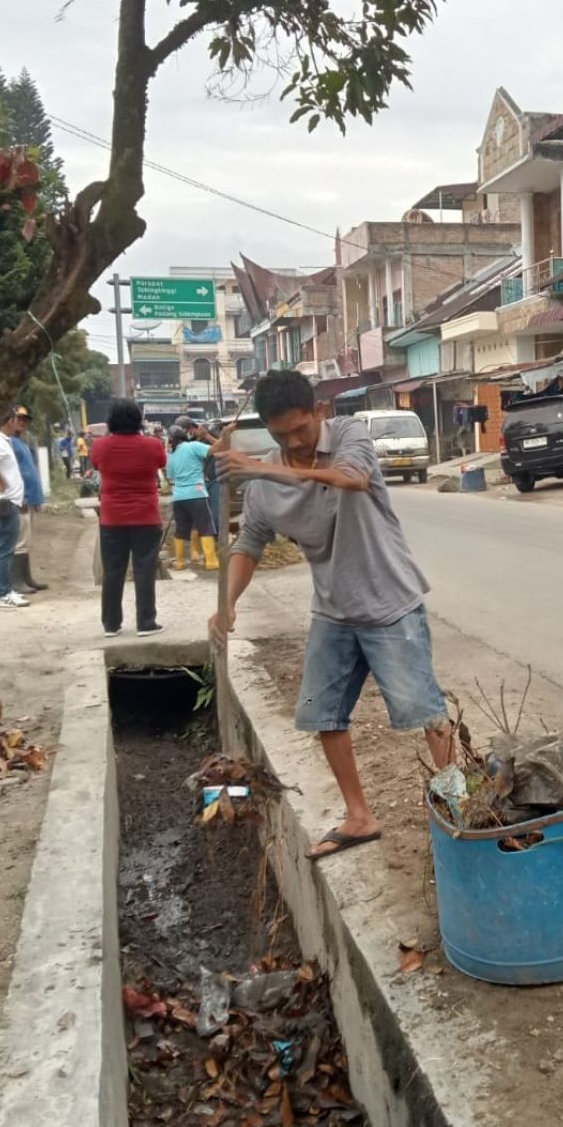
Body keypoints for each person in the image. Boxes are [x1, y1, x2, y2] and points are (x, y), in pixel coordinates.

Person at [209, 369, 455, 860]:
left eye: (301, 429)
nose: (295, 443)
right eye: (282, 437)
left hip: (391, 604)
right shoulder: (265, 484)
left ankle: (460, 806)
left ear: (318, 412)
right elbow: (249, 544)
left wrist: (266, 468)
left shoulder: (349, 436)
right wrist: (228, 603)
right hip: (333, 610)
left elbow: (353, 479)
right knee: (324, 714)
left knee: (426, 713)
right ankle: (359, 816)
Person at [90, 399, 167, 638]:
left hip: (112, 517)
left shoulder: (99, 446)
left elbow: (96, 465)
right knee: (145, 569)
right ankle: (146, 623)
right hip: (146, 515)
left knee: (113, 571)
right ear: (137, 420)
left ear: (111, 421)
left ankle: (111, 625)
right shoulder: (153, 445)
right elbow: (162, 464)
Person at [0, 409, 30, 609]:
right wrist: (0, 482)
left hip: (0, 502)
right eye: (15, 419)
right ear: (8, 421)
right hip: (3, 503)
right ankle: (3, 592)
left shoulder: (2, 441)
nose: (17, 423)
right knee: (4, 549)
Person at [165, 425, 219, 571]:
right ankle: (211, 561)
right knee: (206, 527)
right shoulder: (193, 446)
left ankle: (180, 562)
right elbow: (216, 449)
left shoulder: (171, 455)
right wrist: (208, 436)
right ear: (184, 436)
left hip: (179, 497)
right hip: (197, 493)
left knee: (181, 530)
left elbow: (170, 477)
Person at [9, 405, 48, 594]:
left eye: (25, 419)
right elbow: (12, 474)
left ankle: (26, 577)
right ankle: (16, 581)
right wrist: (21, 497)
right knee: (20, 540)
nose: (22, 422)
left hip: (30, 498)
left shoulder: (22, 442)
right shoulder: (8, 443)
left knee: (27, 540)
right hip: (20, 499)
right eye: (18, 418)